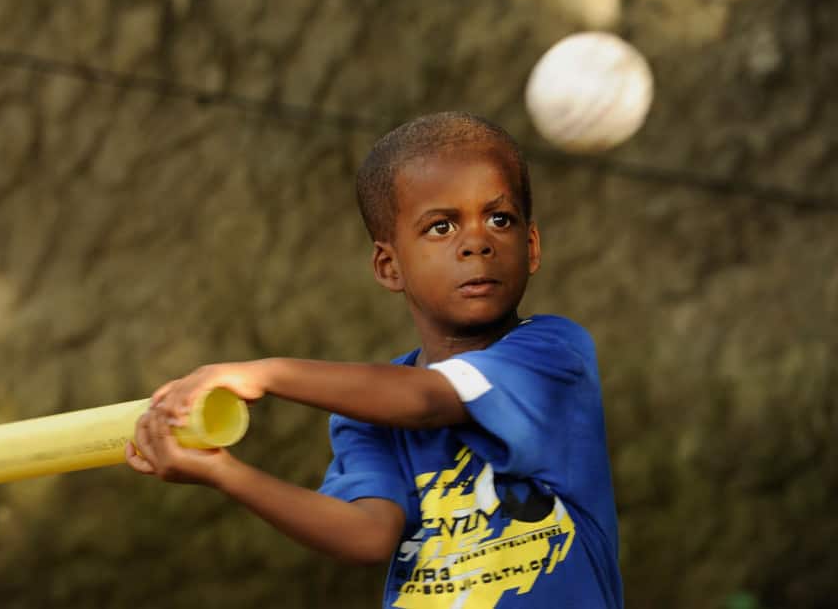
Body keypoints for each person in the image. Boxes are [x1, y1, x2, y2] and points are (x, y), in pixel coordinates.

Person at [126, 112, 623, 608]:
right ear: (390, 266)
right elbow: (366, 536)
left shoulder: (554, 353)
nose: (477, 242)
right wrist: (222, 472)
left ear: (531, 246)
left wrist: (266, 372)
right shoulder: (364, 414)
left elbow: (425, 402)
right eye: (441, 226)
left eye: (500, 219)